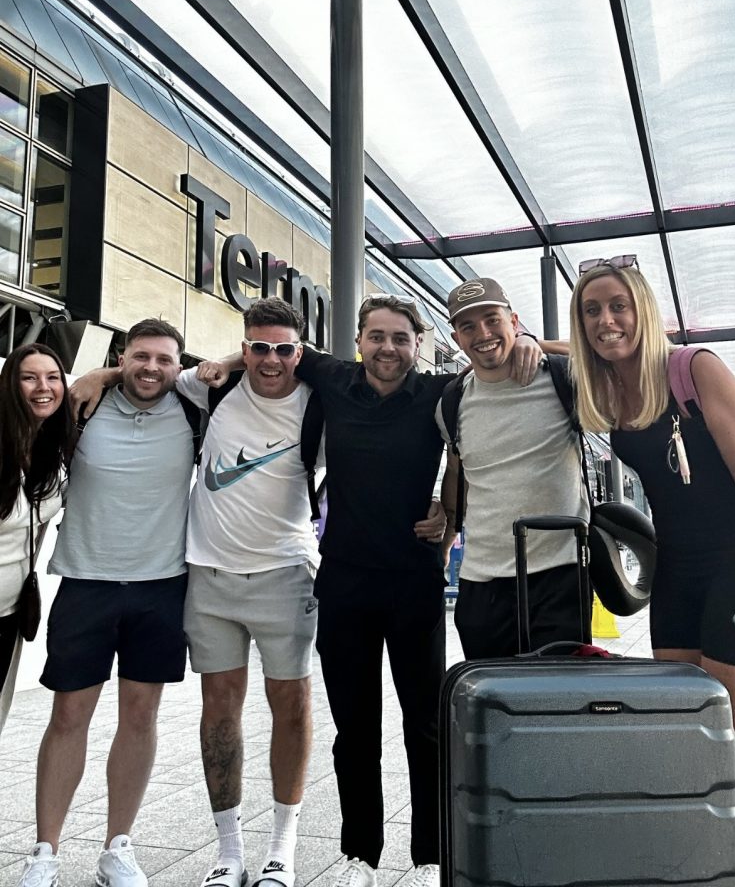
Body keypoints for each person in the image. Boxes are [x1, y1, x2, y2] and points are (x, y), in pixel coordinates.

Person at [199, 295, 543, 887]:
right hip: (344, 584)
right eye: (377, 336)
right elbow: (272, 349)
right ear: (358, 341)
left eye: (400, 338)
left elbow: (489, 397)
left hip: (414, 583)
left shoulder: (440, 392)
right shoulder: (333, 378)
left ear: (418, 345)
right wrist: (224, 361)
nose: (388, 348)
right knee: (355, 729)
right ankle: (360, 854)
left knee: (426, 726)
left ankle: (434, 856)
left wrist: (536, 345)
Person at [569, 257, 735, 887]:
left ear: (644, 308)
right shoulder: (607, 390)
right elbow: (562, 347)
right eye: (592, 310)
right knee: (685, 747)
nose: (606, 320)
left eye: (618, 305)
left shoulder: (694, 369)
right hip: (677, 578)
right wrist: (533, 343)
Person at [18, 319, 193, 887]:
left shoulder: (195, 409)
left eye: (164, 359)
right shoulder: (82, 407)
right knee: (68, 716)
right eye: (139, 357)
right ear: (123, 356)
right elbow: (28, 421)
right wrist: (95, 377)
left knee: (140, 717)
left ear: (179, 364)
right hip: (86, 583)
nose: (151, 368)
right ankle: (45, 852)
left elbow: (251, 364)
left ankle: (118, 847)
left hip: (163, 586)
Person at [179, 299, 320, 887]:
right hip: (208, 578)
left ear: (299, 352)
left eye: (283, 348)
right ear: (244, 348)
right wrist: (96, 373)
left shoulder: (319, 404)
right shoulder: (211, 389)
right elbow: (148, 370)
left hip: (285, 575)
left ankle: (282, 846)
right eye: (258, 347)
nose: (270, 360)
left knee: (291, 707)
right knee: (220, 712)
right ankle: (228, 850)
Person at [437, 278, 587, 660]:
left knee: (557, 704)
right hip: (481, 581)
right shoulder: (452, 402)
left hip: (560, 574)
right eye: (468, 326)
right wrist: (444, 542)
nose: (483, 334)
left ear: (514, 321)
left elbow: (616, 356)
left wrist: (539, 342)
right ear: (456, 339)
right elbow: (459, 476)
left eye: (492, 319)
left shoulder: (560, 376)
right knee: (495, 707)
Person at [0, 345, 73, 736]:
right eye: (29, 377)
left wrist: (107, 374)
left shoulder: (50, 448)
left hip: (11, 609)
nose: (43, 387)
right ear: (11, 384)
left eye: (52, 377)